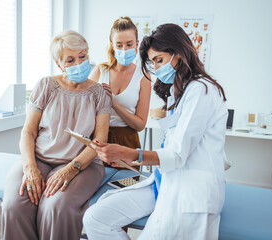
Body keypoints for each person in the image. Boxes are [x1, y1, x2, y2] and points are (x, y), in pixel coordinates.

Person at [83, 23, 228, 240]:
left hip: (189, 192)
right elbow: (171, 146)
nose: (157, 68)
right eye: (153, 63)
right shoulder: (179, 92)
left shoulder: (201, 90)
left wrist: (130, 154)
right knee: (95, 218)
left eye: (159, 60)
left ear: (178, 52)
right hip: (164, 181)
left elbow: (178, 154)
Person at [1, 30, 111, 240]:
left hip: (82, 165)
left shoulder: (99, 94)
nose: (79, 63)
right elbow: (28, 131)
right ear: (59, 64)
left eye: (82, 56)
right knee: (14, 204)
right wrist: (30, 168)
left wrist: (70, 169)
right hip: (39, 159)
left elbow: (99, 142)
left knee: (55, 207)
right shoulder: (46, 86)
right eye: (70, 60)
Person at [89, 17, 151, 170]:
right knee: (94, 188)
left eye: (129, 44)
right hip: (97, 139)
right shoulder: (100, 71)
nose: (124, 49)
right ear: (112, 46)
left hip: (127, 143)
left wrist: (115, 105)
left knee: (125, 187)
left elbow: (140, 125)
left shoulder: (143, 76)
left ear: (136, 44)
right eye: (119, 45)